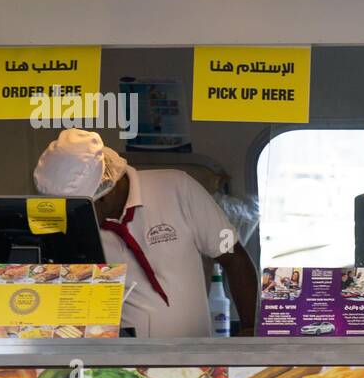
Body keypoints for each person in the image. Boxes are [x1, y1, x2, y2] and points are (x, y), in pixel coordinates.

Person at [33, 129, 258, 338]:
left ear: (104, 193)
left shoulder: (176, 188)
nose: (73, 218)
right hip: (117, 361)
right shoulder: (75, 228)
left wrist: (250, 330)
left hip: (193, 355)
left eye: (81, 209)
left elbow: (234, 257)